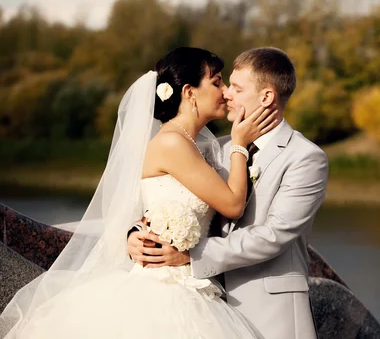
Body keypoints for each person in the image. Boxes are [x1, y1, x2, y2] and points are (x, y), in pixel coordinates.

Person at [0, 47, 277, 338]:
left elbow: (157, 209)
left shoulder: (199, 146)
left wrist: (135, 231)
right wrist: (239, 144)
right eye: (217, 82)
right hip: (164, 290)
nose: (225, 92)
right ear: (189, 92)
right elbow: (233, 204)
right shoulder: (173, 143)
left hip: (192, 278)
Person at [128, 47, 329, 339]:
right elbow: (175, 201)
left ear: (267, 97)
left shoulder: (305, 157)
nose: (226, 94)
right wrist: (136, 234)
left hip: (272, 312)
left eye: (235, 87)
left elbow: (274, 235)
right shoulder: (215, 149)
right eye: (223, 84)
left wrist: (189, 256)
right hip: (206, 307)